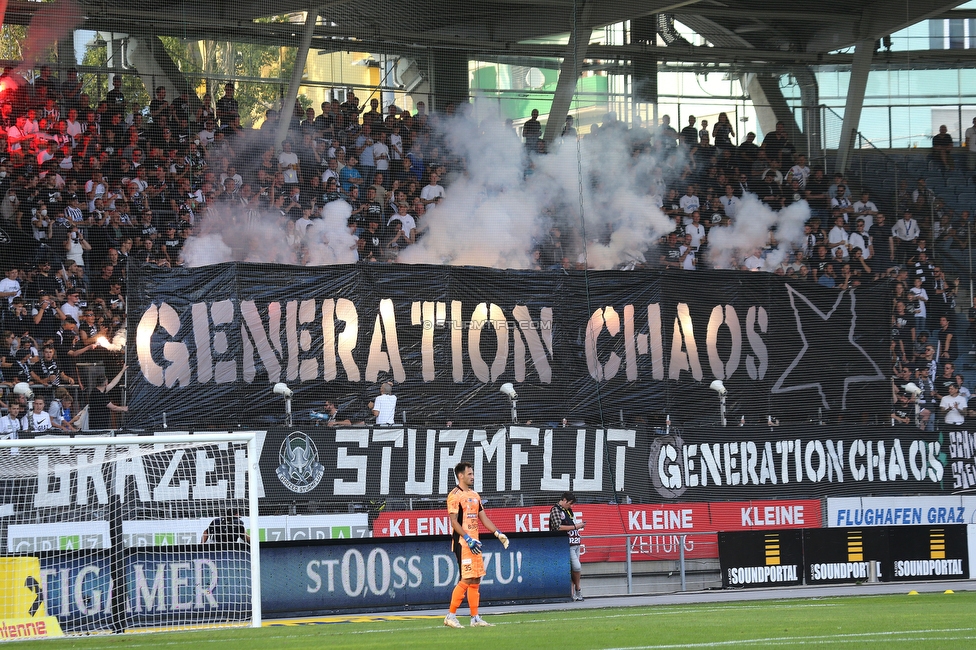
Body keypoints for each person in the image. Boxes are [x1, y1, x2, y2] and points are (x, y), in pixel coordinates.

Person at [444, 461, 509, 629]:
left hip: (475, 542)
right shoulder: (454, 495)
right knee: (466, 578)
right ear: (461, 476)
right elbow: (453, 522)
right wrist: (467, 538)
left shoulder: (475, 495)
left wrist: (497, 533)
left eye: (473, 473)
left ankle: (475, 618)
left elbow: (483, 518)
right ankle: (450, 616)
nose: (472, 476)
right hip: (463, 542)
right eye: (470, 474)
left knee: (476, 578)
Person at [550, 491, 585, 601]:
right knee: (576, 567)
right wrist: (575, 526)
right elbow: (557, 527)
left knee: (573, 569)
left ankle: (573, 593)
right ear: (564, 500)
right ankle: (578, 590)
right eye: (570, 503)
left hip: (575, 542)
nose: (571, 506)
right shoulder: (556, 510)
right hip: (566, 544)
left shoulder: (568, 510)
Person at [87, 366, 128, 430]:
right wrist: (124, 408)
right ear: (106, 383)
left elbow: (113, 383)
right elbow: (113, 407)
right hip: (100, 425)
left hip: (93, 423)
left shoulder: (94, 391)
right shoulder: (102, 396)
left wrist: (122, 371)